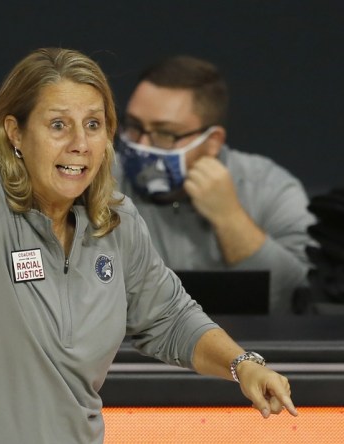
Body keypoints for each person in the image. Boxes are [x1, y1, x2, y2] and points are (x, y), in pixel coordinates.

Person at [0, 48, 297, 444]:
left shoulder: (115, 223)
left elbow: (170, 318)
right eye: (58, 125)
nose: (80, 143)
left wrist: (243, 365)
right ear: (16, 133)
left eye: (93, 124)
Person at [116, 55, 315, 314]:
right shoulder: (98, 183)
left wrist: (230, 217)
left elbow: (300, 296)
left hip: (248, 348)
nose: (140, 145)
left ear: (212, 141)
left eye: (164, 133)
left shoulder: (268, 185)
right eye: (133, 126)